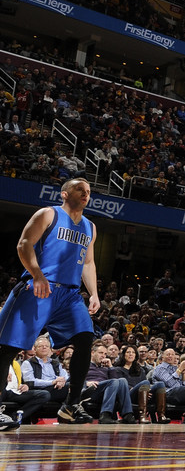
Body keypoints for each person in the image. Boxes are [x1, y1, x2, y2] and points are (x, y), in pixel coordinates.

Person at [0, 178, 100, 425]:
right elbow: (24, 244)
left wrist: (94, 293)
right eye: (80, 189)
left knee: (85, 337)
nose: (86, 193)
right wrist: (37, 275)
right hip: (39, 287)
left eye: (88, 191)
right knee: (8, 349)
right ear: (65, 193)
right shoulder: (48, 214)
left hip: (69, 294)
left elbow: (87, 263)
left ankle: (71, 405)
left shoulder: (90, 227)